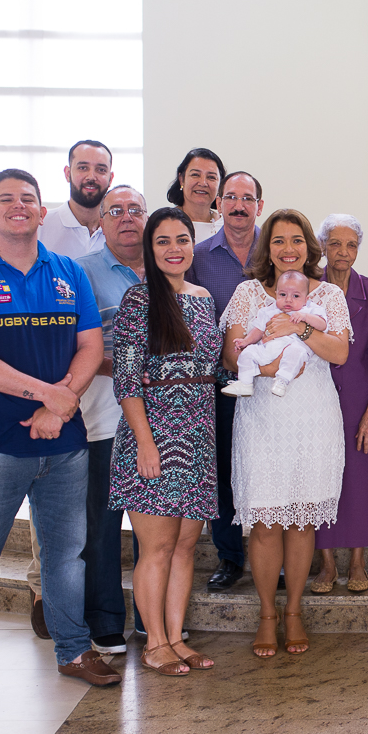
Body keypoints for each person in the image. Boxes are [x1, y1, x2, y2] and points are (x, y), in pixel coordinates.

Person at [0, 169, 117, 724]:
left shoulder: (68, 271)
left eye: (29, 200)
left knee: (67, 557)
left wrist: (58, 406)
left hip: (64, 444)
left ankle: (73, 649)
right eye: (6, 200)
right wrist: (51, 395)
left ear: (43, 213)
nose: (19, 207)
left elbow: (90, 345)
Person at [220, 208, 351, 657]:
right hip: (262, 420)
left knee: (300, 522)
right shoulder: (247, 293)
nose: (288, 249)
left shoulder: (328, 296)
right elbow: (235, 358)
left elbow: (338, 353)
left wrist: (296, 326)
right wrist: (277, 360)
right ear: (267, 248)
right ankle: (266, 613)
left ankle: (293, 610)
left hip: (312, 416)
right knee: (265, 523)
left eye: (296, 240)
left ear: (309, 246)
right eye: (278, 241)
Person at [109, 207, 222, 676]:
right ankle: (154, 641)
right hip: (153, 436)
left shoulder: (203, 298)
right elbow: (126, 379)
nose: (174, 249)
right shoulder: (138, 300)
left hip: (197, 437)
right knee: (155, 548)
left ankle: (176, 637)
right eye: (163, 241)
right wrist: (145, 443)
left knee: (183, 548)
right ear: (150, 249)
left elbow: (214, 368)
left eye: (181, 239)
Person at [28, 138, 114, 638]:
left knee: (88, 506)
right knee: (53, 497)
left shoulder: (116, 232)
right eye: (83, 167)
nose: (91, 176)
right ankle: (45, 591)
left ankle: (77, 599)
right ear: (68, 172)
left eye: (100, 168)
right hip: (52, 380)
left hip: (100, 389)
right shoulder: (45, 228)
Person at [74, 185, 146, 655]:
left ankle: (152, 617)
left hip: (166, 421)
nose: (125, 218)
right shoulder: (82, 274)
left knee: (156, 526)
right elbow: (80, 348)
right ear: (99, 223)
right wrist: (135, 368)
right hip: (104, 419)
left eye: (134, 210)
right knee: (102, 524)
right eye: (114, 211)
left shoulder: (169, 269)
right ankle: (104, 619)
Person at [184, 170, 262, 595]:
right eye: (230, 197)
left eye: (246, 198)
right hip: (221, 382)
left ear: (259, 206)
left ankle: (276, 552)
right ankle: (230, 556)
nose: (238, 205)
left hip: (275, 384)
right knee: (224, 471)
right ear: (219, 205)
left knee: (270, 466)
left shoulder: (280, 250)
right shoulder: (198, 256)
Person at [314, 213, 368, 594]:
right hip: (317, 398)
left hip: (363, 397)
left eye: (351, 245)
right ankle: (326, 565)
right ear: (323, 246)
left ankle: (359, 563)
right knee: (321, 477)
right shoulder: (310, 288)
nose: (343, 252)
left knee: (361, 477)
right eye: (335, 244)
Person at [221, 271, 328, 398]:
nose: (288, 299)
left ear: (306, 299)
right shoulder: (269, 311)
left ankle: (282, 381)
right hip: (268, 349)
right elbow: (258, 330)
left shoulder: (309, 310)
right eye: (283, 294)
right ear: (276, 294)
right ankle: (245, 383)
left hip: (292, 348)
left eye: (296, 296)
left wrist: (305, 317)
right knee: (248, 353)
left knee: (296, 353)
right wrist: (246, 341)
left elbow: (322, 325)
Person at [166, 148, 225, 241]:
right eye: (195, 175)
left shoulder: (226, 226)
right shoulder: (165, 222)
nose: (203, 183)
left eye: (211, 177)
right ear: (181, 179)